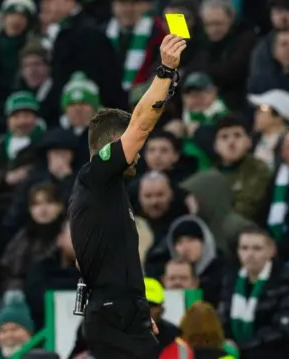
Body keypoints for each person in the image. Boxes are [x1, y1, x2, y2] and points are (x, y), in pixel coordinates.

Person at [68, 35, 187, 359]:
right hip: (113, 313)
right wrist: (165, 70)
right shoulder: (98, 176)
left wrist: (132, 305)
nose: (138, 155)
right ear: (112, 145)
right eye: (133, 148)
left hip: (117, 312)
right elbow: (142, 124)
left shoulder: (102, 191)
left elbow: (86, 259)